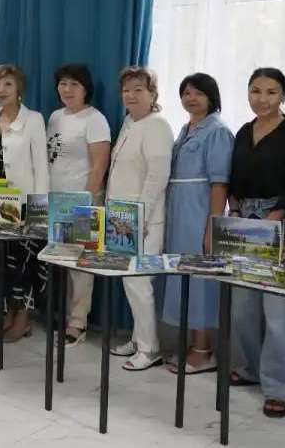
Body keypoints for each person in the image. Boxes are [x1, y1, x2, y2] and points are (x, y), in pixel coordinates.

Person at [227, 67, 285, 418]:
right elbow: (234, 175)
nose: (262, 99)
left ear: (284, 97)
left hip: (282, 219)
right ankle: (247, 369)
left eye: (271, 92)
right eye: (256, 91)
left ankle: (280, 388)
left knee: (278, 311)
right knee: (242, 305)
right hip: (243, 218)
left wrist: (274, 218)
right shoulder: (243, 131)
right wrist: (235, 207)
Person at [161, 73, 233, 374]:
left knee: (201, 278)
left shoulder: (217, 131)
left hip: (199, 209)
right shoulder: (186, 128)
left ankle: (204, 350)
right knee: (183, 276)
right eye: (186, 93)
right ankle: (192, 344)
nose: (191, 98)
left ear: (211, 96)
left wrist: (211, 227)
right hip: (179, 209)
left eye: (198, 93)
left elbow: (220, 183)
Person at [105, 67, 174, 371]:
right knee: (129, 282)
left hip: (142, 220)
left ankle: (150, 348)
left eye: (138, 89)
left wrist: (141, 214)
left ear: (152, 93)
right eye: (126, 90)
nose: (131, 96)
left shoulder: (156, 125)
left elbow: (158, 176)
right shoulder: (129, 122)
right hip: (120, 218)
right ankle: (138, 338)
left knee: (139, 282)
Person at [0, 64, 48, 342]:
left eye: (7, 84)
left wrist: (39, 212)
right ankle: (6, 315)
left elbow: (41, 167)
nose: (1, 90)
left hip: (23, 209)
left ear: (19, 88)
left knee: (22, 265)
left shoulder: (33, 120)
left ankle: (23, 320)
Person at [46, 64, 112, 347]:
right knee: (58, 263)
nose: (67, 89)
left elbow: (99, 165)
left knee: (80, 268)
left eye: (74, 84)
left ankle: (78, 323)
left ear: (86, 88)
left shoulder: (95, 119)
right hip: (54, 201)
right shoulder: (54, 117)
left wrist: (87, 201)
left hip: (82, 202)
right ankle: (57, 314)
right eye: (62, 83)